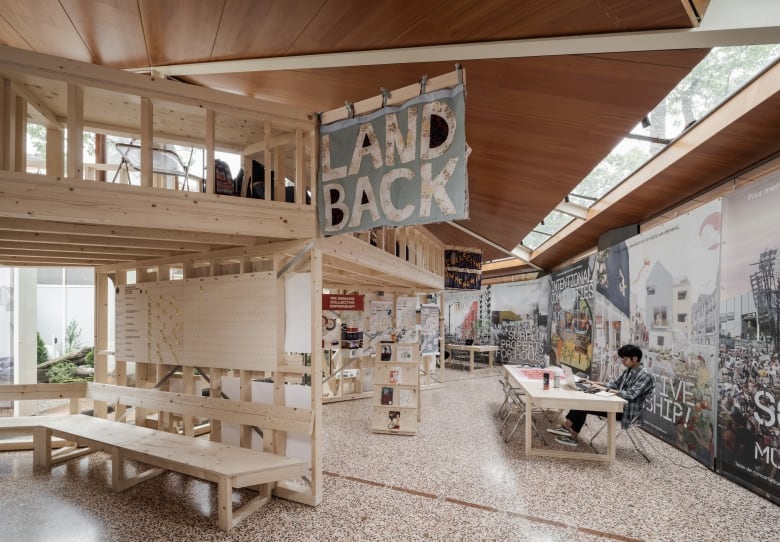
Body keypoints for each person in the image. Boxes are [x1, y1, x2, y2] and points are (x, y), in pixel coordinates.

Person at [547, 344, 654, 447]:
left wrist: (606, 389)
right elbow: (615, 385)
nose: (623, 362)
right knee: (583, 401)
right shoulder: (629, 371)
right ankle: (569, 433)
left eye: (625, 359)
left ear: (635, 359)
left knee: (584, 405)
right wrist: (592, 382)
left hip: (626, 411)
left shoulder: (645, 376)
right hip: (615, 402)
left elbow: (631, 395)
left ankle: (568, 430)